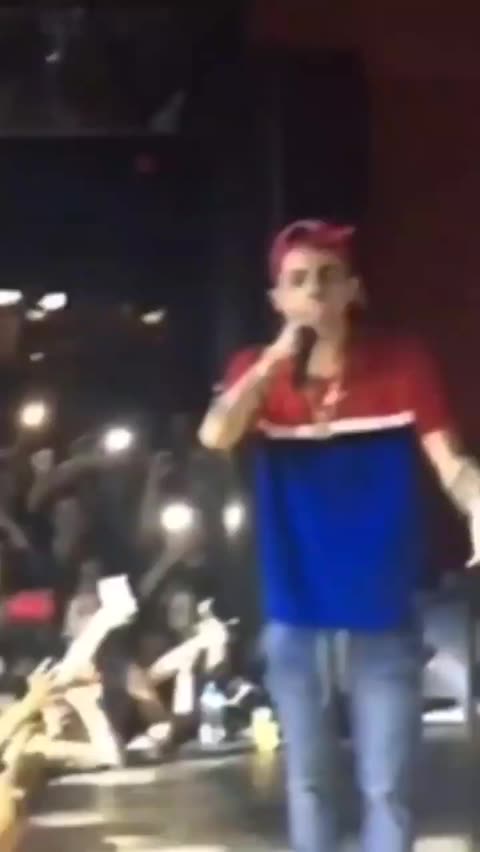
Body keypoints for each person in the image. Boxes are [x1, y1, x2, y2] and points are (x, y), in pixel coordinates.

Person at [199, 219, 480, 852]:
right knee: (309, 784)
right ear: (277, 299)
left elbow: (451, 464)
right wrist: (272, 363)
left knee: (387, 789)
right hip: (296, 612)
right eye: (298, 280)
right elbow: (216, 434)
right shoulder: (256, 373)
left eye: (329, 277)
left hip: (381, 608)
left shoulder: (401, 364)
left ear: (355, 288)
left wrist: (477, 501)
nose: (314, 291)